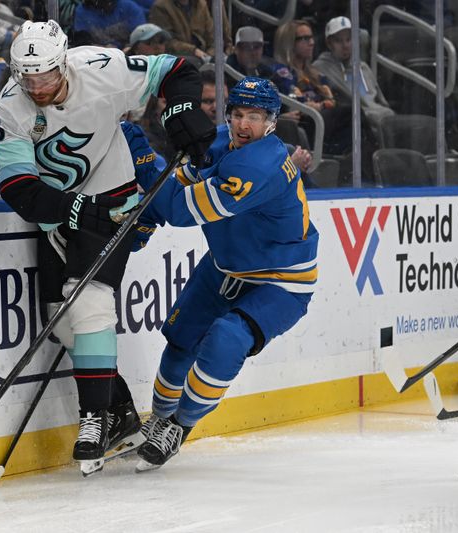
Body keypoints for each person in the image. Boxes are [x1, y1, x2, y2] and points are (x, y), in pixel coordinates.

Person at [0, 19, 215, 475]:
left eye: (46, 75)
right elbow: (18, 189)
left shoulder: (101, 68)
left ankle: (92, 418)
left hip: (115, 204)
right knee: (61, 320)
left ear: (63, 62)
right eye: (27, 77)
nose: (37, 86)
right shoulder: (8, 109)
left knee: (88, 303)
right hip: (58, 216)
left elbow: (176, 69)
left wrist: (182, 112)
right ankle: (121, 414)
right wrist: (73, 211)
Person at [128, 77, 318, 470]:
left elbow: (179, 210)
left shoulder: (260, 165)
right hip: (224, 267)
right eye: (237, 114)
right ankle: (158, 422)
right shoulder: (217, 141)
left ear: (271, 122)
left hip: (281, 280)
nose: (243, 125)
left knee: (227, 337)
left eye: (255, 116)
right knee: (181, 342)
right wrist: (144, 220)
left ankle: (178, 427)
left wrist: (141, 155)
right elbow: (174, 184)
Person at [272, 19, 351, 155]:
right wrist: (322, 105)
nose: (312, 42)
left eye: (312, 37)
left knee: (353, 119)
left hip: (322, 119)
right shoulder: (281, 72)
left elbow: (331, 100)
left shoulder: (315, 73)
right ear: (289, 43)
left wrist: (323, 105)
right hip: (306, 121)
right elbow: (298, 103)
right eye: (305, 38)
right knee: (351, 113)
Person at [312, 16, 394, 145]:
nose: (345, 46)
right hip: (359, 120)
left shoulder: (363, 67)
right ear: (329, 43)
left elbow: (381, 100)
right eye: (339, 41)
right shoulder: (320, 68)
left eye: (349, 40)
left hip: (383, 117)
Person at [148, 0, 232, 61]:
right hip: (177, 56)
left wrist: (209, 55)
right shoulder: (160, 7)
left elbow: (212, 37)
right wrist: (193, 50)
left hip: (203, 56)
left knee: (226, 61)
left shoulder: (201, 4)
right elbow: (165, 42)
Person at [71, 0, 145, 49]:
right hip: (96, 56)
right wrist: (103, 49)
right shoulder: (82, 11)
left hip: (128, 55)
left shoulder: (129, 7)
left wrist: (127, 49)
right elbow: (82, 42)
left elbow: (142, 36)